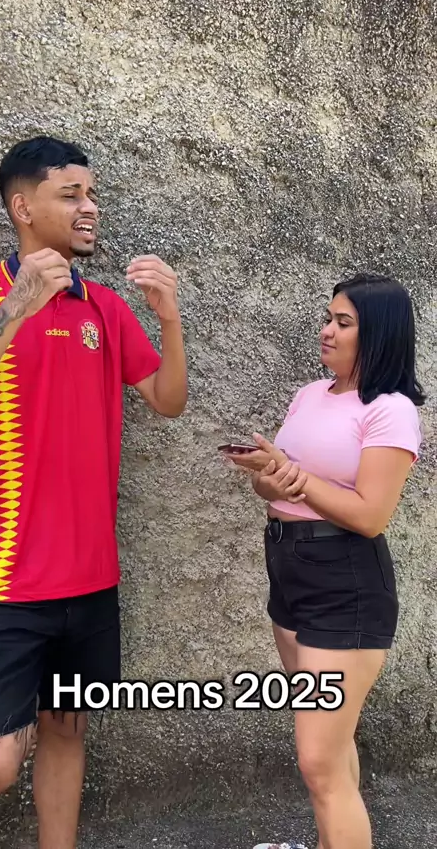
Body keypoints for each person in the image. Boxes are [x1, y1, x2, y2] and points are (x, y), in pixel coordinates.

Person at [0, 135, 187, 849]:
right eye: (71, 195)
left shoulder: (105, 307)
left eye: (92, 195)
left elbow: (168, 400)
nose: (90, 208)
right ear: (23, 208)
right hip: (1, 579)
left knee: (67, 730)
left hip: (90, 578)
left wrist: (168, 316)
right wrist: (17, 307)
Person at [225, 272, 425, 849]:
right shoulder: (311, 394)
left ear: (377, 333)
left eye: (343, 323)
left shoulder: (390, 410)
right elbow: (279, 491)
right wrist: (269, 474)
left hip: (345, 580)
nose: (326, 331)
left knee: (317, 761)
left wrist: (293, 475)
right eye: (327, 318)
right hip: (289, 569)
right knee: (332, 749)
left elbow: (370, 515)